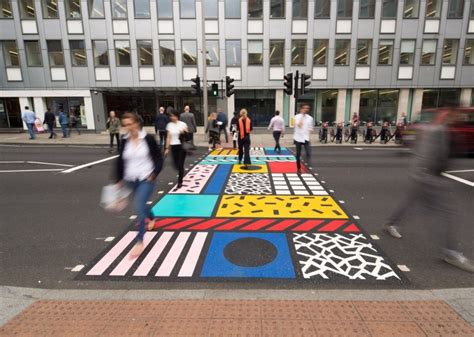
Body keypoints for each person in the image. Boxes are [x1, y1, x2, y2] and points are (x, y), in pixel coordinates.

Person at [383, 110, 473, 273]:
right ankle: (451, 252)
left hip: (431, 176)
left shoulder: (448, 133)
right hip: (429, 176)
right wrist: (421, 174)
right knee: (449, 212)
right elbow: (424, 154)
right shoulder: (435, 132)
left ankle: (391, 223)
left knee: (412, 203)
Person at [115, 113, 163, 257]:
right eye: (125, 125)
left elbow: (158, 157)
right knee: (142, 204)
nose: (128, 127)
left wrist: (154, 173)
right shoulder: (124, 140)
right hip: (130, 179)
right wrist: (118, 179)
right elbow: (120, 160)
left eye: (130, 124)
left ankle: (139, 241)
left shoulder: (147, 139)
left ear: (137, 123)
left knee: (138, 206)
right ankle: (153, 217)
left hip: (146, 178)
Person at [165, 109, 188, 188]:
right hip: (173, 146)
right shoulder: (169, 125)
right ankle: (181, 171)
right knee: (175, 164)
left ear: (177, 116)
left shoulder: (183, 124)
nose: (172, 117)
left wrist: (184, 132)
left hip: (181, 146)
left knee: (180, 164)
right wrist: (167, 148)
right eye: (171, 116)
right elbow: (168, 137)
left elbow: (187, 136)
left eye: (174, 116)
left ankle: (180, 182)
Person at [293, 103, 313, 173]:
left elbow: (311, 128)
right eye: (304, 108)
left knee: (308, 153)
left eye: (307, 108)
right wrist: (302, 116)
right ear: (301, 109)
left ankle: (306, 165)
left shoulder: (310, 118)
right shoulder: (296, 117)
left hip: (306, 138)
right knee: (298, 154)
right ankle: (298, 168)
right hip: (298, 137)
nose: (306, 109)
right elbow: (299, 125)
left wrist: (309, 133)